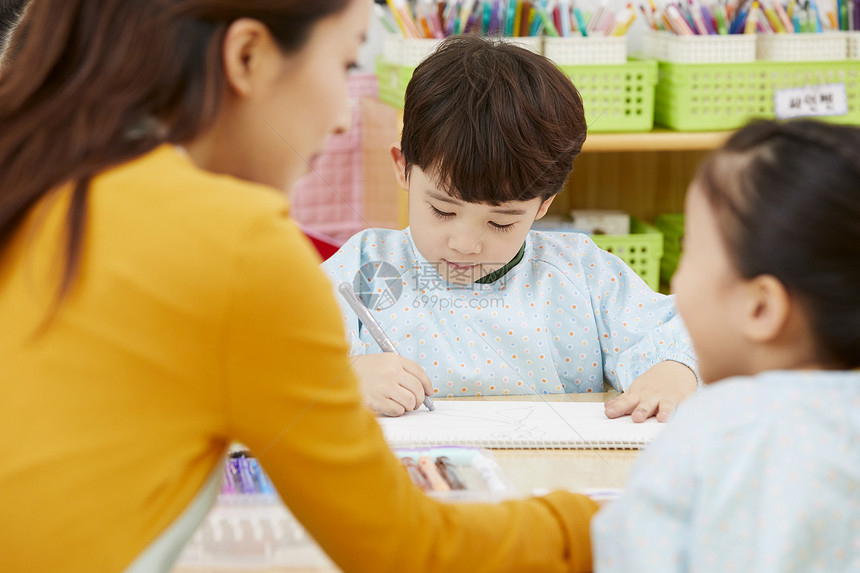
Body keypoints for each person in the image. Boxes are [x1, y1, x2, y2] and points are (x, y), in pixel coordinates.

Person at [0, 1, 602, 572]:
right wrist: (600, 520)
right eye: (344, 63)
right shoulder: (239, 250)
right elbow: (407, 550)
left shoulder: (50, 180)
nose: (344, 115)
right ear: (247, 58)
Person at [322, 35, 698, 418]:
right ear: (403, 167)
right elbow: (274, 353)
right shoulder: (363, 268)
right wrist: (344, 376)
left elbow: (680, 332)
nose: (465, 244)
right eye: (443, 211)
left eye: (500, 222)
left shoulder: (582, 274)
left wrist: (673, 370)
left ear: (543, 204)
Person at [592, 119, 860, 572]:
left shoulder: (716, 429)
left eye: (690, 249)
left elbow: (628, 556)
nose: (677, 277)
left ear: (760, 309)